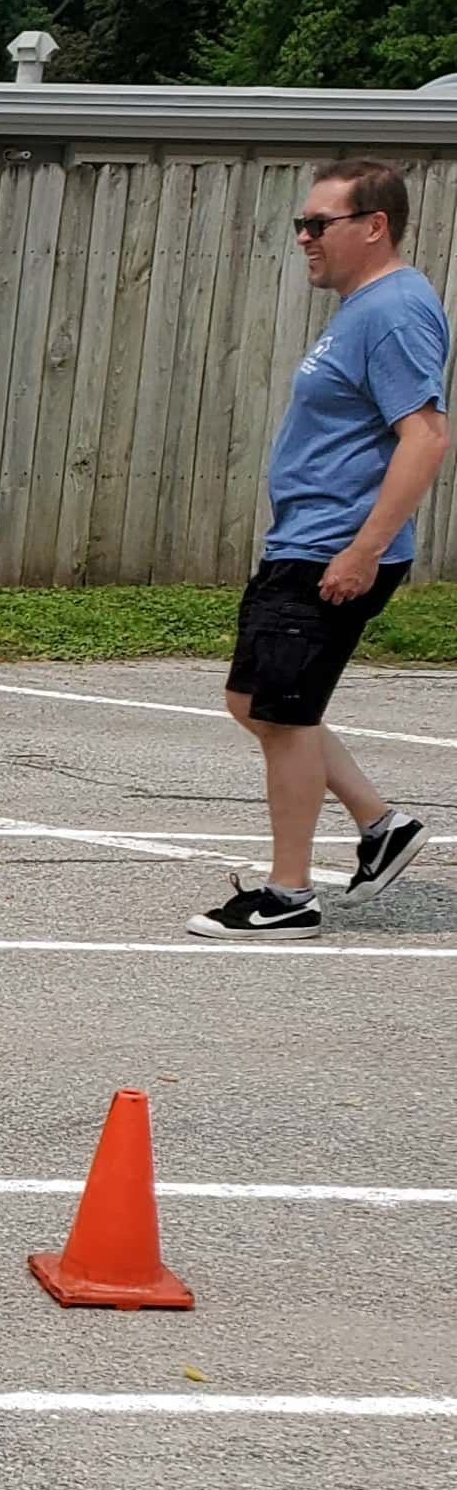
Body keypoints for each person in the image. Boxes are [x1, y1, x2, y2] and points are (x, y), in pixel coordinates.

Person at [189, 158, 444, 941]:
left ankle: (289, 894)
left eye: (318, 224)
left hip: (332, 547)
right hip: (308, 539)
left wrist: (363, 549)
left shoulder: (394, 311)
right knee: (256, 702)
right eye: (301, 223)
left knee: (285, 714)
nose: (304, 237)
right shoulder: (365, 307)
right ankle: (380, 825)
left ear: (375, 226)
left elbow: (426, 437)